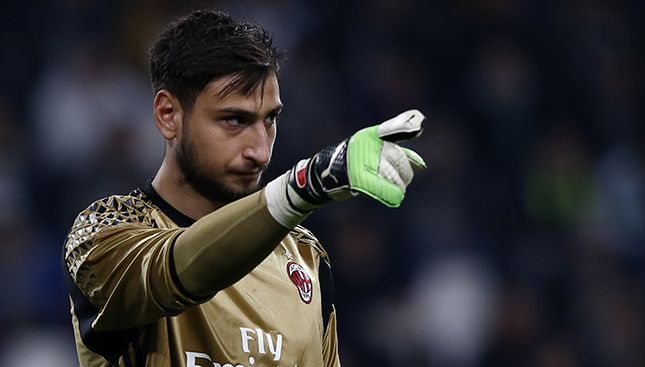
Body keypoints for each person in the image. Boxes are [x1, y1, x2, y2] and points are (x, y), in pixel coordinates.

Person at [62, 9, 426, 367]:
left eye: (269, 120)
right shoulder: (106, 229)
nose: (260, 151)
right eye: (234, 120)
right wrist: (304, 185)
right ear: (168, 115)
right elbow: (173, 272)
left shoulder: (304, 256)